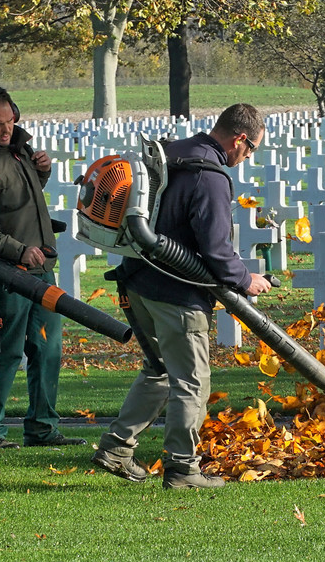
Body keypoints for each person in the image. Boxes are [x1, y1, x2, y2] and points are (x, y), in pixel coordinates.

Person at [95, 103, 273, 489]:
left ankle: (116, 447)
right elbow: (217, 250)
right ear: (240, 138)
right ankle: (182, 468)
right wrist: (247, 279)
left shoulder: (170, 154)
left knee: (159, 370)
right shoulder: (211, 177)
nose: (247, 157)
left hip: (138, 283)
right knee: (192, 382)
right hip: (177, 293)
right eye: (251, 149)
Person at [0, 86, 83, 449]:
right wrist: (20, 251)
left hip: (42, 270)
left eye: (10, 122)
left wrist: (42, 173)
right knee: (3, 352)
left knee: (48, 349)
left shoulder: (19, 152)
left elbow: (19, 203)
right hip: (5, 276)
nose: (6, 130)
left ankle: (42, 427)